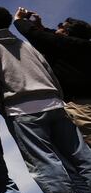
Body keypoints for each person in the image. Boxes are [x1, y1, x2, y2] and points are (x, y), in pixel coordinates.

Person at [0, 7, 91, 193]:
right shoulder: (25, 44)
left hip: (22, 110)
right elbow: (48, 71)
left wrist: (2, 108)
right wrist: (56, 96)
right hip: (54, 103)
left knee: (46, 165)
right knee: (82, 159)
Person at [13, 9, 91, 145]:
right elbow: (53, 39)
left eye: (61, 26)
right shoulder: (81, 45)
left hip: (82, 107)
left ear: (68, 32)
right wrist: (40, 26)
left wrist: (19, 20)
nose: (57, 27)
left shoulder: (69, 45)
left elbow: (38, 37)